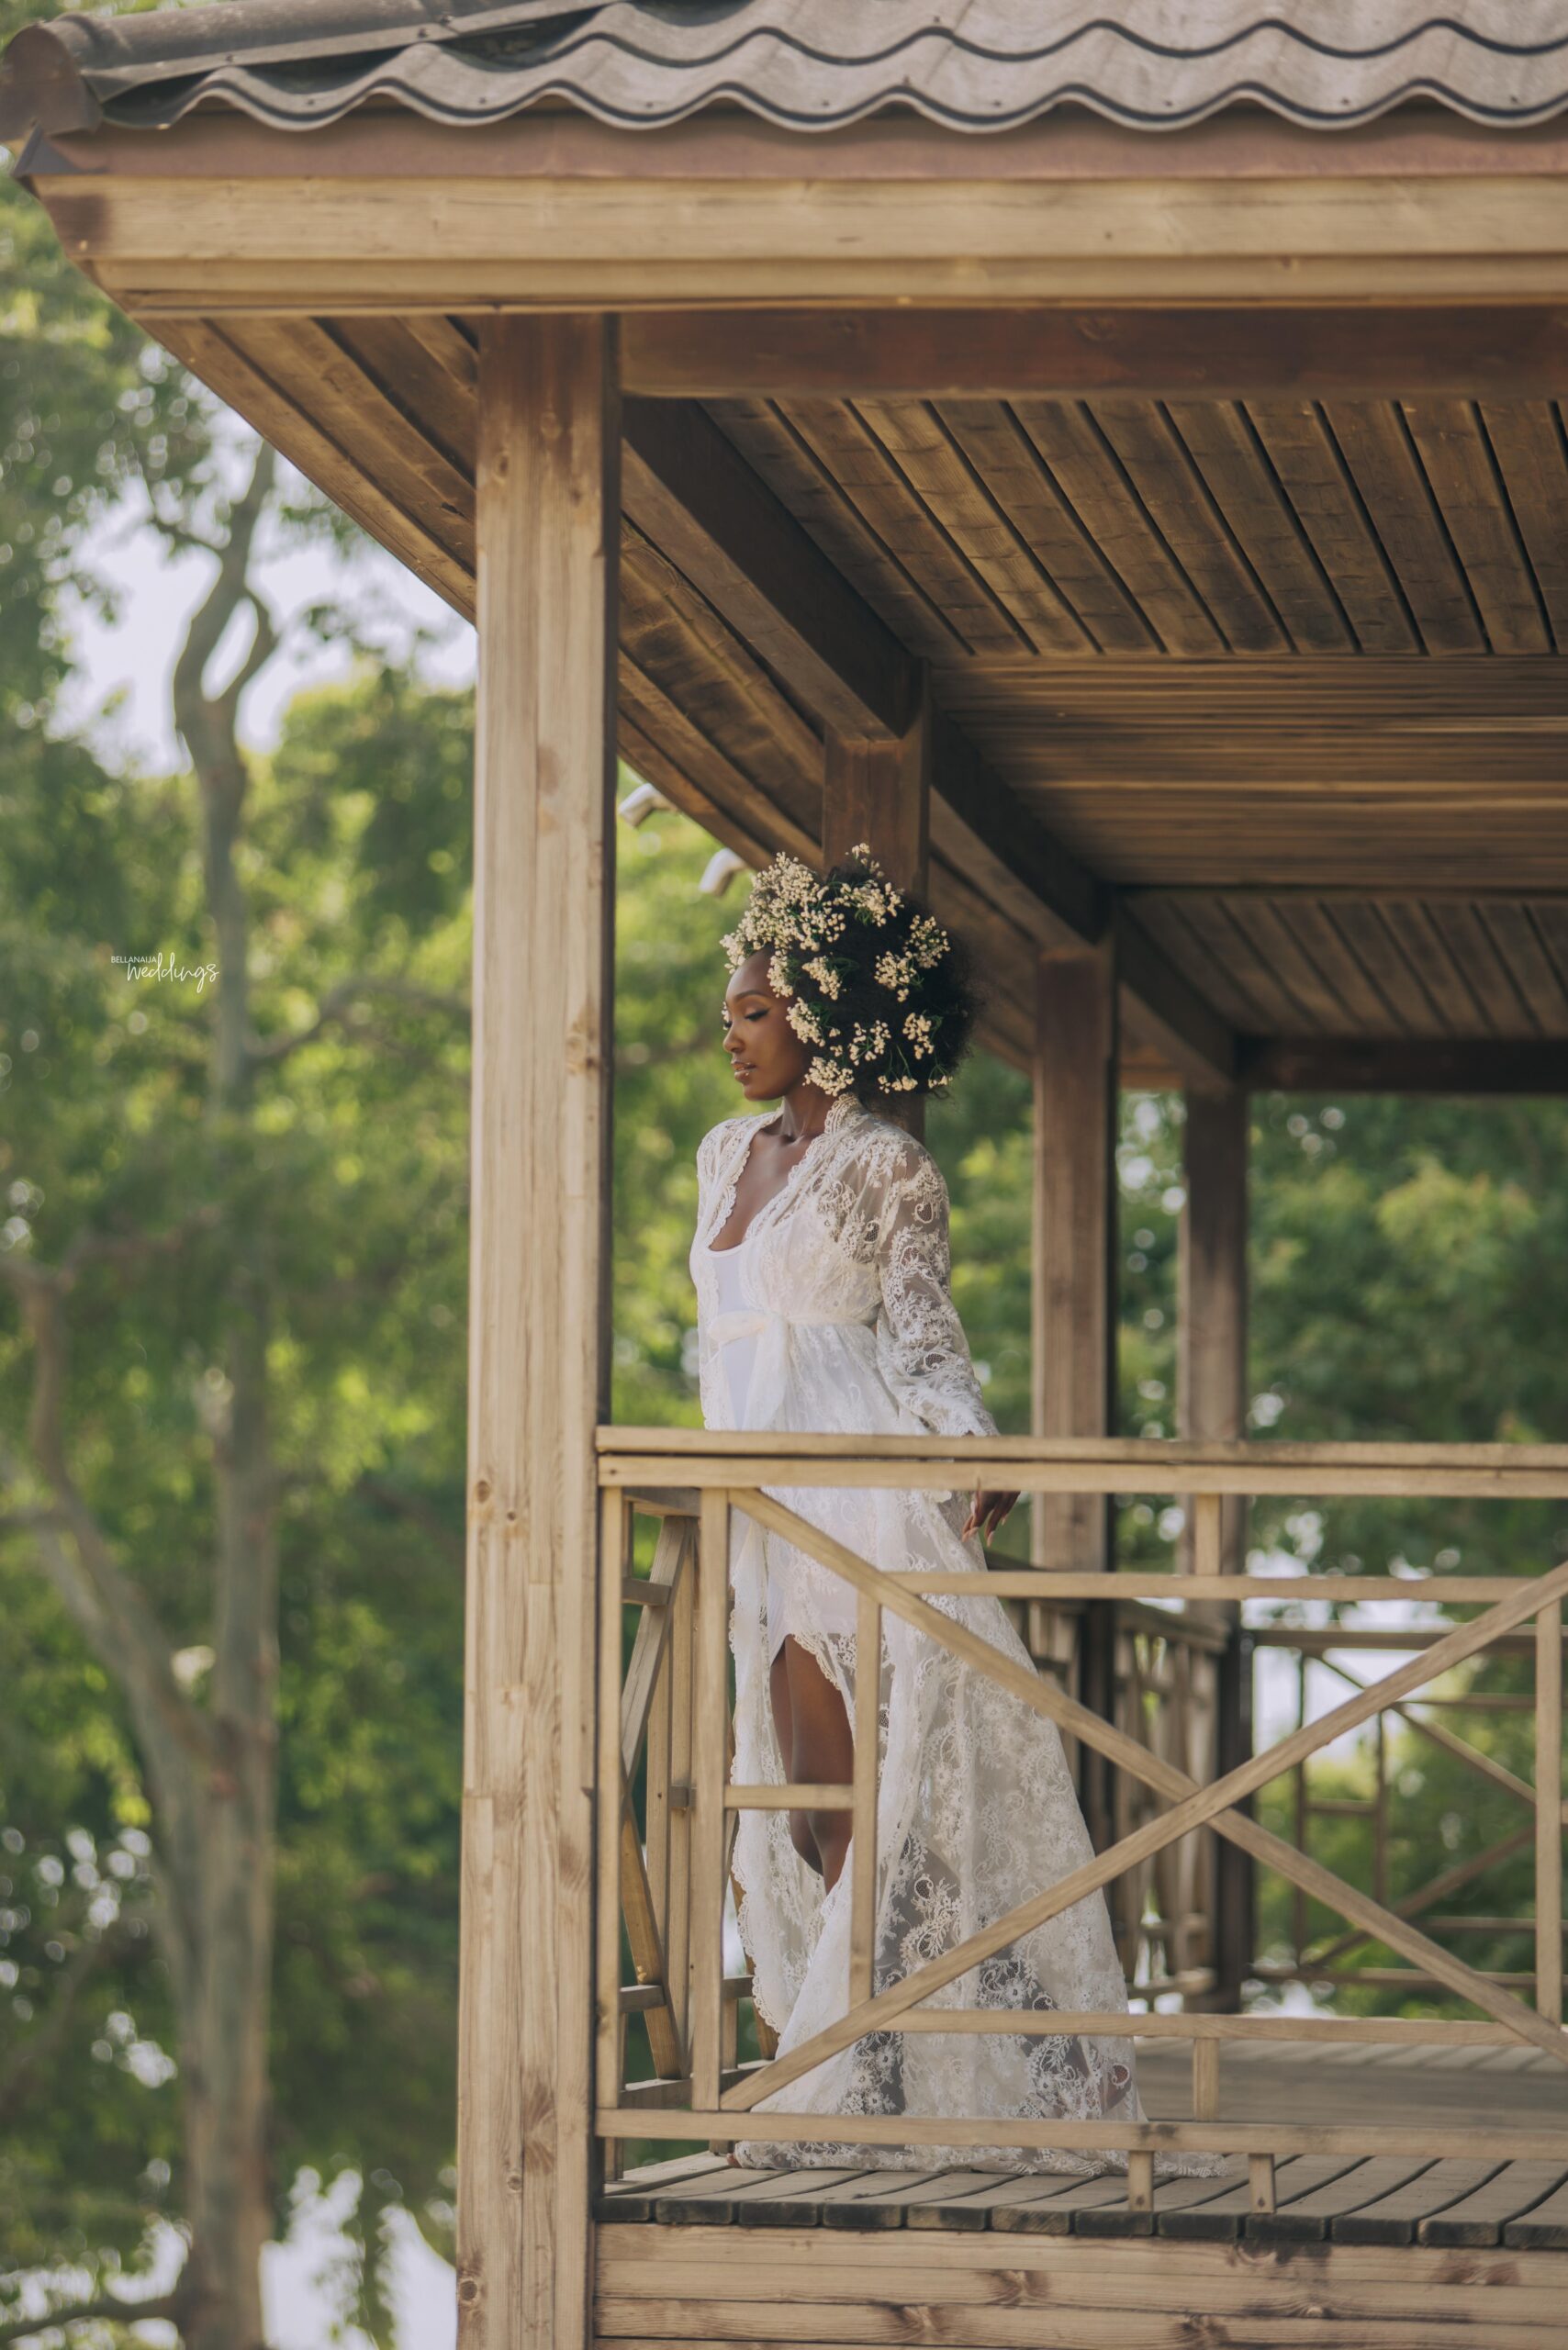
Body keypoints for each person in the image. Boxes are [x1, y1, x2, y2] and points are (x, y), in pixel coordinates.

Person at [689, 845, 1218, 2177]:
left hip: (861, 1508)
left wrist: (972, 1442)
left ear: (822, 1013)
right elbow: (723, 1345)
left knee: (887, 1814)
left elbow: (925, 1340)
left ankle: (918, 2082)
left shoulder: (889, 1169)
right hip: (764, 1518)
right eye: (732, 1011)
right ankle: (923, 2067)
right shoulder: (721, 1155)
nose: (730, 1035)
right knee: (813, 1815)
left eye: (753, 1011)